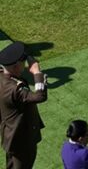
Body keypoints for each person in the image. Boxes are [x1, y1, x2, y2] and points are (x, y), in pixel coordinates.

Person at [0, 40, 47, 169]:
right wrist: (37, 73)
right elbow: (40, 96)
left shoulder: (2, 78)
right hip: (22, 139)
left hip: (10, 134)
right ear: (15, 67)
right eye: (23, 63)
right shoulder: (14, 89)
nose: (25, 66)